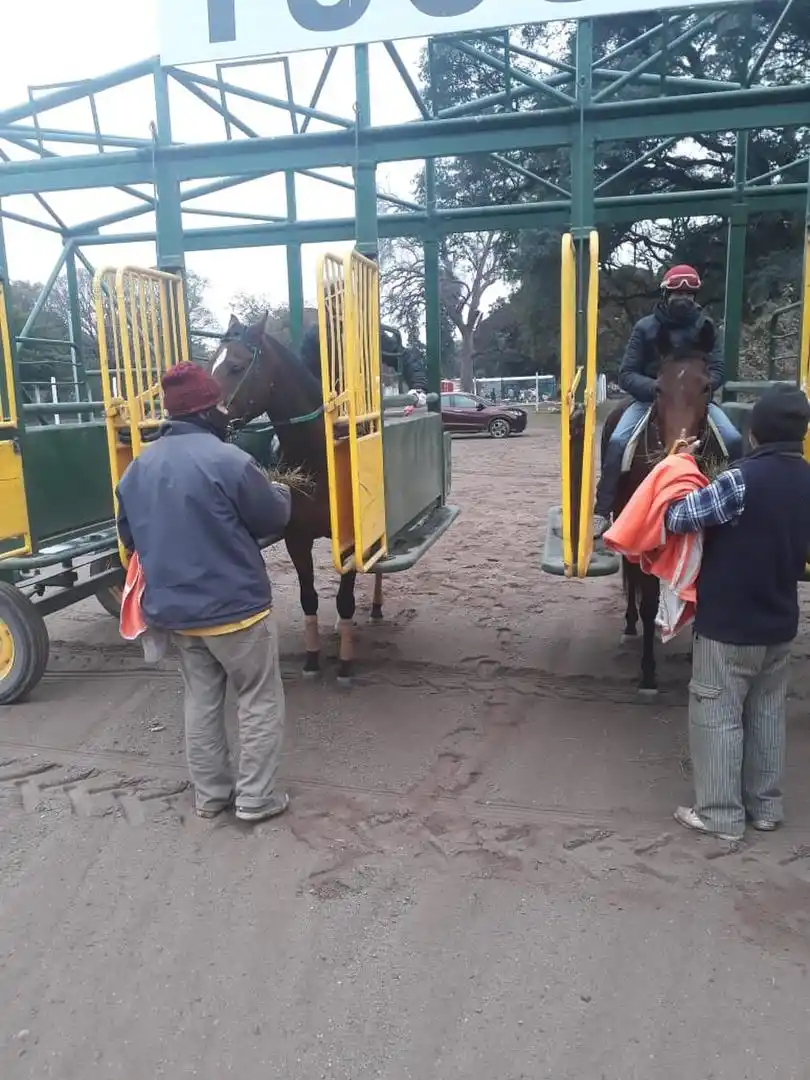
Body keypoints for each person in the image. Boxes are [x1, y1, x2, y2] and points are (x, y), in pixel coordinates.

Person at [115, 363, 293, 823]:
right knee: (258, 698)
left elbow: (130, 538)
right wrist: (280, 492)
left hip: (177, 615)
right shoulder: (229, 461)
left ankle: (211, 795)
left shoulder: (137, 468)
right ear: (205, 410)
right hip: (237, 612)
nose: (223, 411)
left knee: (201, 700)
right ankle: (256, 799)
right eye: (217, 404)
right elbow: (273, 518)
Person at [665, 384, 810, 842]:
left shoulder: (739, 479)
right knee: (767, 712)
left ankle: (720, 815)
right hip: (780, 621)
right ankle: (765, 807)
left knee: (717, 712)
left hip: (729, 626)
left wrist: (675, 465)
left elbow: (679, 517)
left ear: (754, 433)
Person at [593, 265, 743, 537]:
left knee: (733, 439)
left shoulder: (706, 327)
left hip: (694, 399)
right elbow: (626, 373)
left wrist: (696, 390)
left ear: (696, 296)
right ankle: (603, 511)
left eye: (688, 292)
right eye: (676, 292)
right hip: (650, 397)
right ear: (665, 293)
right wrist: (659, 389)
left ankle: (740, 510)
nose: (682, 297)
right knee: (618, 442)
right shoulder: (645, 328)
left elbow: (719, 369)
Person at [299, 318, 429, 396]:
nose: (337, 305)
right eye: (333, 299)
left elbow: (402, 357)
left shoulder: (365, 331)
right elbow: (305, 377)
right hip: (330, 409)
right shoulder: (315, 335)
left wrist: (419, 387)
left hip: (365, 409)